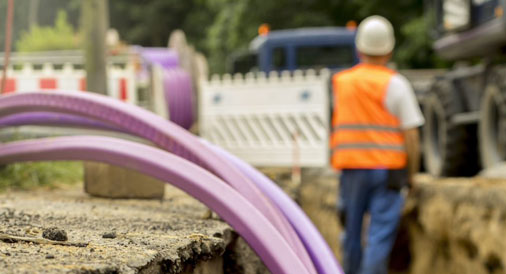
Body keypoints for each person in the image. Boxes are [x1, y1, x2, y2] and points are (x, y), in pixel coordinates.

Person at [330, 15, 424, 274]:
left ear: (359, 48)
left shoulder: (342, 83)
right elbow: (412, 136)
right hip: (388, 172)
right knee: (378, 238)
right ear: (390, 49)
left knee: (351, 235)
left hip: (351, 171)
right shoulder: (396, 84)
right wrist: (412, 176)